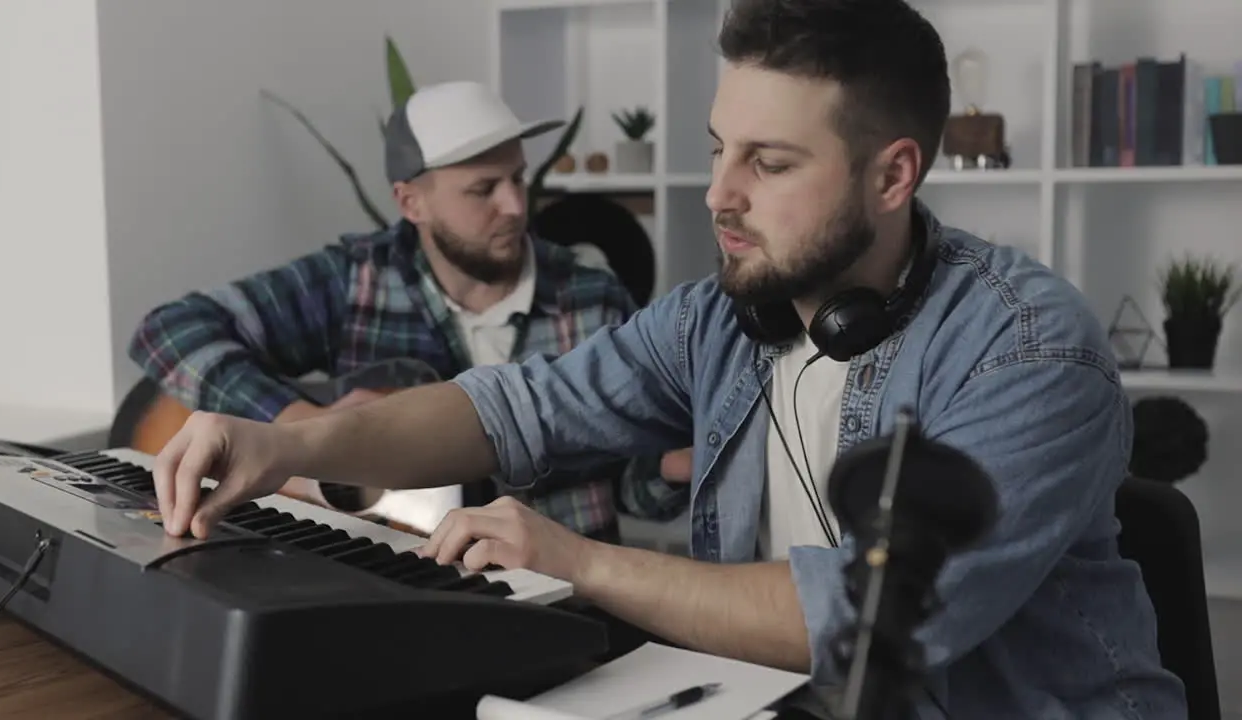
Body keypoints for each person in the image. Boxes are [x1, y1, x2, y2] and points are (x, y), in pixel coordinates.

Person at [148, 1, 1188, 718]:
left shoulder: (1027, 350)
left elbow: (864, 615)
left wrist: (578, 560)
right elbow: (511, 409)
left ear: (891, 175)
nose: (715, 193)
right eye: (717, 145)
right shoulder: (717, 318)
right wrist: (286, 445)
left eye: (767, 162)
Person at [127, 79, 691, 541]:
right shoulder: (356, 279)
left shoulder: (592, 297)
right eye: (483, 188)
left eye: (519, 178)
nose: (516, 206)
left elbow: (632, 483)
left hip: (571, 603)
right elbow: (170, 330)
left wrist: (671, 466)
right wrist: (303, 430)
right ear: (410, 201)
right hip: (397, 588)